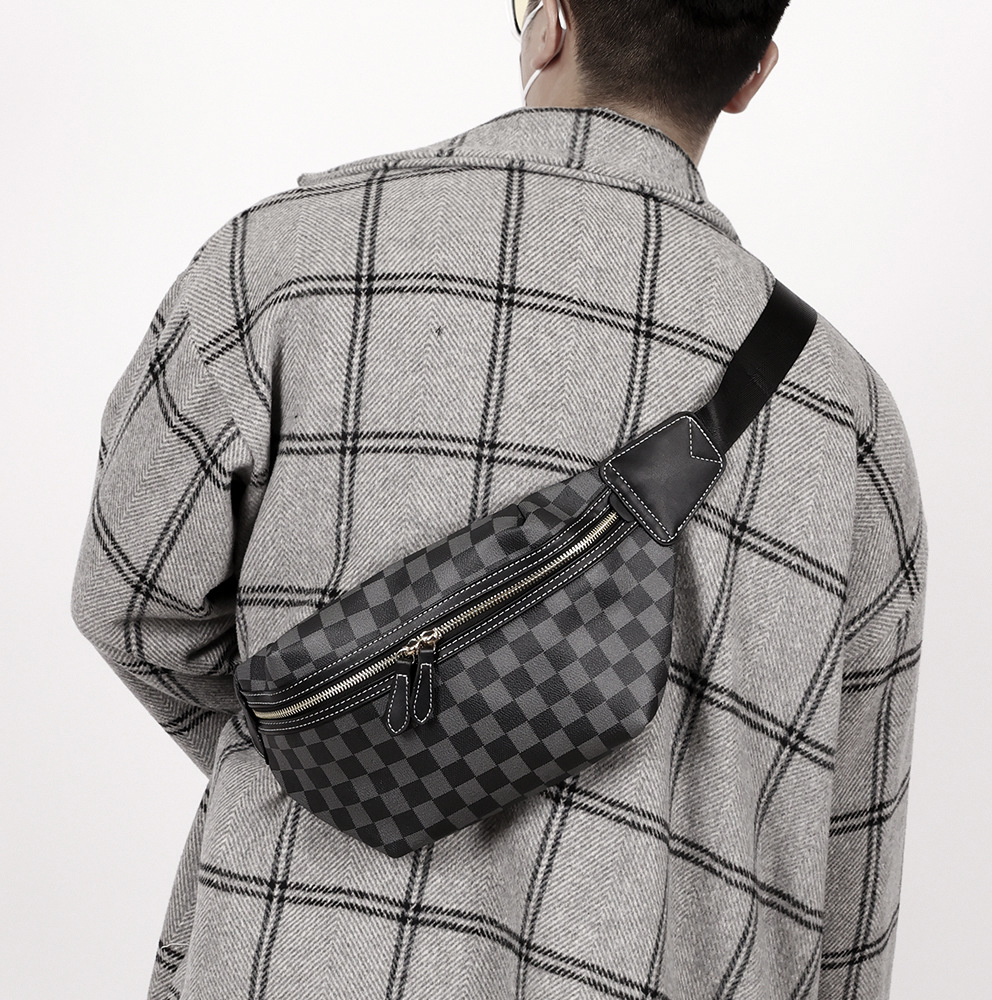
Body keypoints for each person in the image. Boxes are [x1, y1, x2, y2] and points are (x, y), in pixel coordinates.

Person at [69, 1, 927, 998]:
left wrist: (354, 756)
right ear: (750, 77)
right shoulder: (848, 420)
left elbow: (127, 602)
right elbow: (849, 860)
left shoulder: (282, 267)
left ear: (548, 24)